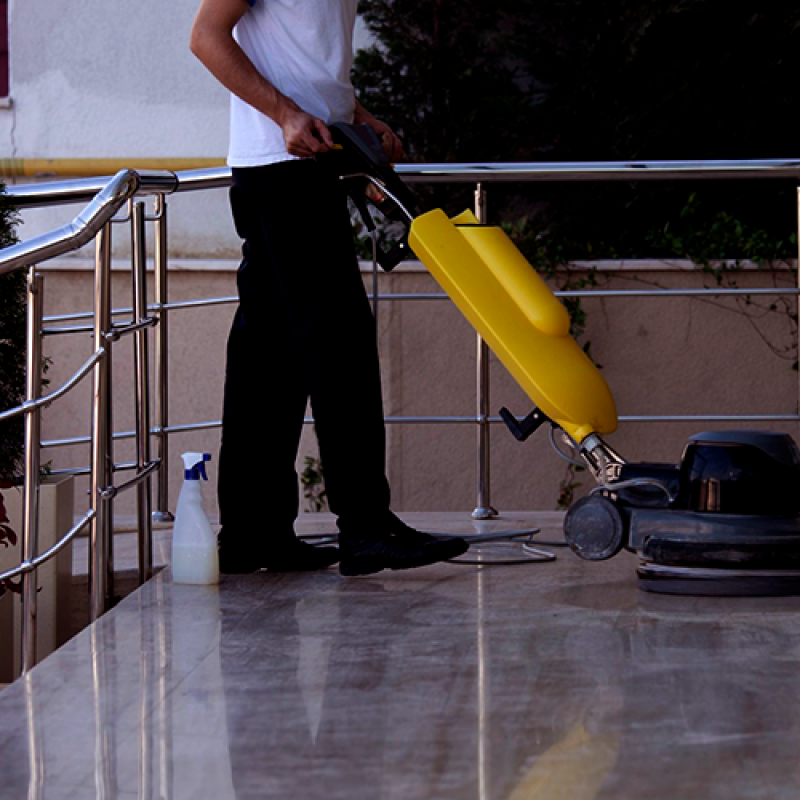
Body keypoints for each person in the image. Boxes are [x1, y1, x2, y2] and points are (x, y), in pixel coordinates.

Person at [190, 0, 468, 575]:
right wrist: (285, 116)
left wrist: (358, 116)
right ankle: (365, 528)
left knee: (271, 354)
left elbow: (305, 61)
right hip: (284, 168)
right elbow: (206, 37)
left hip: (303, 163)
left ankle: (252, 533)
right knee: (339, 346)